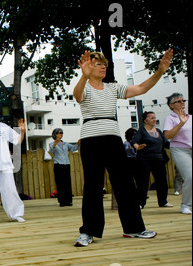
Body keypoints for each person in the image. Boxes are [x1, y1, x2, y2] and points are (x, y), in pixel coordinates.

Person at [72, 49, 173, 246]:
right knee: (93, 185)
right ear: (88, 67)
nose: (103, 67)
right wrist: (83, 77)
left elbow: (142, 88)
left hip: (112, 139)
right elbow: (77, 96)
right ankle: (88, 232)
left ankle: (134, 228)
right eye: (98, 64)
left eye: (104, 64)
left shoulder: (112, 88)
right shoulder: (84, 86)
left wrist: (160, 72)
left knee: (125, 184)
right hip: (91, 139)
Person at [132, 111, 172, 209]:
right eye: (151, 118)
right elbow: (134, 142)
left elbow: (166, 143)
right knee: (143, 181)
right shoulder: (141, 131)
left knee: (162, 180)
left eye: (155, 118)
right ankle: (141, 203)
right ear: (145, 120)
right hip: (144, 160)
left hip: (158, 159)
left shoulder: (158, 131)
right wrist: (138, 147)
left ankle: (163, 201)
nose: (154, 119)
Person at [163, 93, 192, 214]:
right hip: (180, 149)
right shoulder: (170, 119)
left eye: (182, 100)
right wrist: (181, 123)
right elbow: (167, 135)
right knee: (190, 177)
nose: (182, 102)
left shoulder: (190, 117)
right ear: (171, 105)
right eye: (178, 101)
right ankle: (185, 205)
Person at [48, 128, 79, 207]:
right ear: (55, 134)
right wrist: (55, 144)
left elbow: (73, 148)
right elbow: (51, 151)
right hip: (58, 165)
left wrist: (78, 144)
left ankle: (68, 201)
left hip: (66, 165)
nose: (61, 134)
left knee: (67, 183)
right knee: (60, 183)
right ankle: (62, 201)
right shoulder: (52, 144)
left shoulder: (65, 144)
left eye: (62, 133)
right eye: (59, 133)